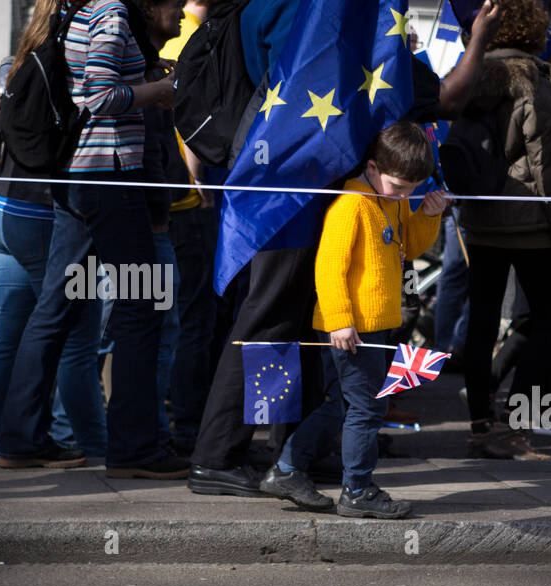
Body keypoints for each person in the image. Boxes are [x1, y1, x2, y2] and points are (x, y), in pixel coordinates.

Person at [188, 0, 504, 497]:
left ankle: (287, 455)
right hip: (292, 189)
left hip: (286, 175)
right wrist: (480, 35)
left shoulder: (274, 9)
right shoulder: (331, 12)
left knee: (286, 326)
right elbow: (447, 98)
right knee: (268, 324)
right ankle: (220, 455)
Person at [0, 0, 178, 475]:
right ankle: (135, 448)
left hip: (77, 178)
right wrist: (158, 90)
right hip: (109, 177)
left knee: (54, 307)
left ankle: (19, 440)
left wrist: (147, 74)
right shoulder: (112, 12)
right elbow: (97, 96)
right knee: (142, 304)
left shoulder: (80, 9)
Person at [261, 123, 447, 518]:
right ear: (373, 167)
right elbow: (329, 268)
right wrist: (341, 320)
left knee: (343, 406)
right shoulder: (352, 205)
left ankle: (287, 469)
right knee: (366, 409)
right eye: (399, 185)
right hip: (351, 327)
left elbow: (408, 247)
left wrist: (427, 215)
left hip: (369, 325)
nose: (405, 194)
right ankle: (357, 490)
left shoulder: (389, 199)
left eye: (413, 188)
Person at [456, 0, 551, 459]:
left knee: (482, 322)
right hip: (529, 222)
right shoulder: (532, 80)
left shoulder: (469, 72)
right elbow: (548, 170)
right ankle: (514, 427)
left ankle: (478, 427)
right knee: (547, 320)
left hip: (480, 216)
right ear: (534, 30)